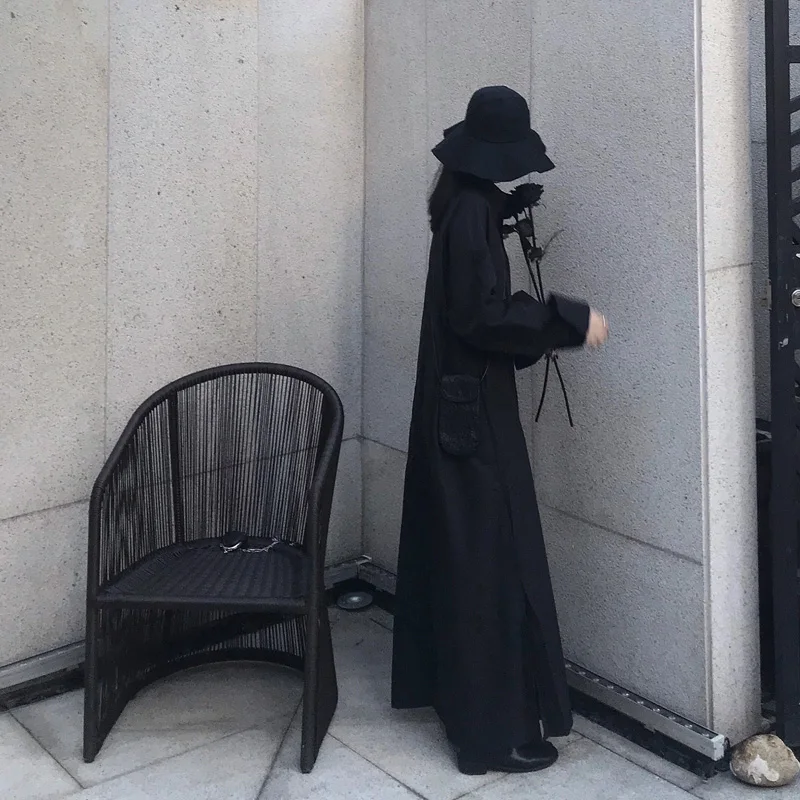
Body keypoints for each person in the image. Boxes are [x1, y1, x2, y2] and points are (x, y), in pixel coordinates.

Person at [391, 85, 609, 776]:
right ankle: (489, 736)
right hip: (470, 415)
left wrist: (506, 215)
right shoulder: (470, 214)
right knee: (489, 563)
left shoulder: (467, 202)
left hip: (458, 403)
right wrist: (567, 320)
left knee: (472, 557)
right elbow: (479, 315)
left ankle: (475, 717)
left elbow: (469, 293)